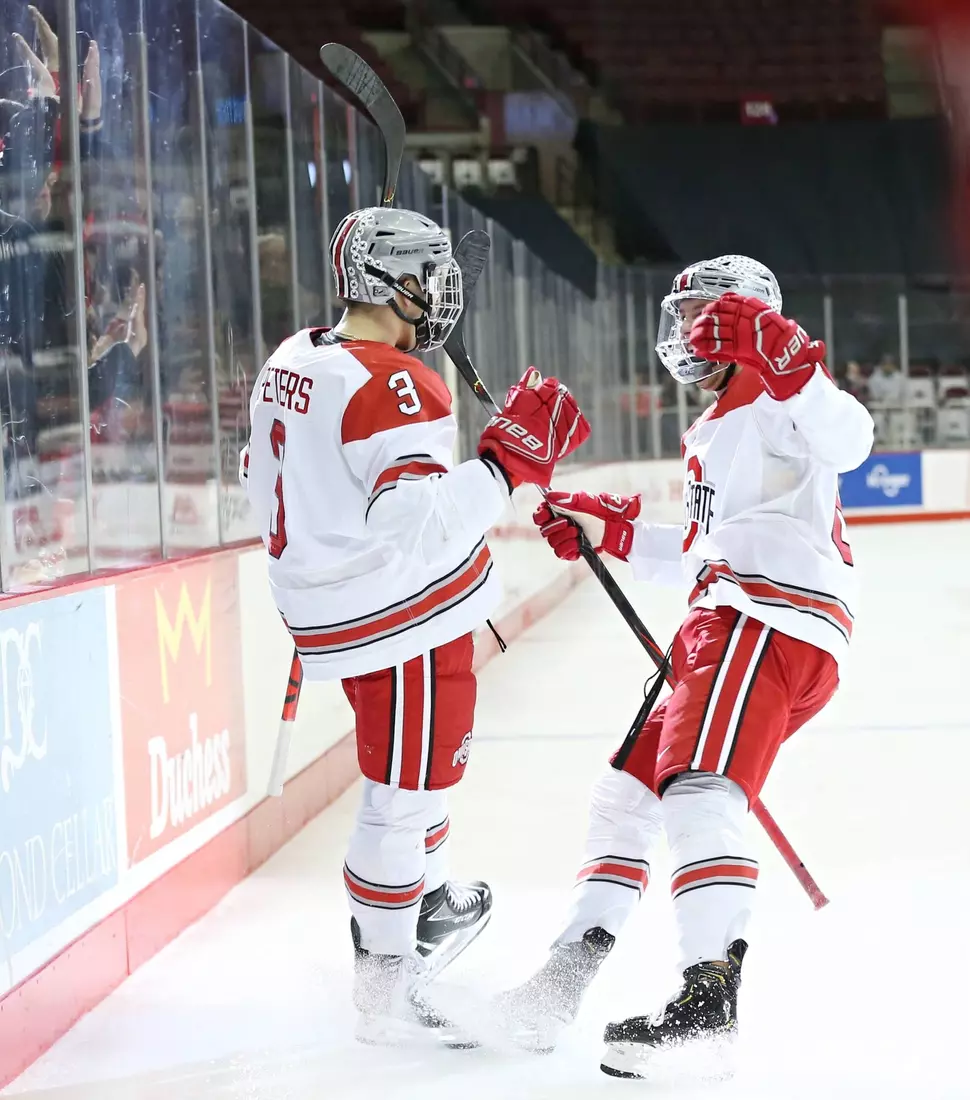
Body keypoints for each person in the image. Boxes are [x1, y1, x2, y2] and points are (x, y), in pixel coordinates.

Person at [500, 255, 873, 1077]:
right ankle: (559, 983)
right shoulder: (715, 424)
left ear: (753, 320)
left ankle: (708, 1011)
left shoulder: (781, 397)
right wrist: (615, 533)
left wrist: (788, 357)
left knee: (700, 793)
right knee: (624, 799)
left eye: (710, 312)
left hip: (763, 625)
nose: (691, 329)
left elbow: (852, 441)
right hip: (728, 621)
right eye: (688, 313)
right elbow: (707, 552)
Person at [241, 205, 590, 1045]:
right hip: (398, 620)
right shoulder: (399, 383)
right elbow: (416, 523)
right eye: (429, 276)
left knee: (423, 776)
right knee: (402, 799)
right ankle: (388, 993)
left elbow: (267, 473)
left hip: (346, 608)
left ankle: (426, 900)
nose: (440, 293)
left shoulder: (296, 355)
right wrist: (510, 463)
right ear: (393, 280)